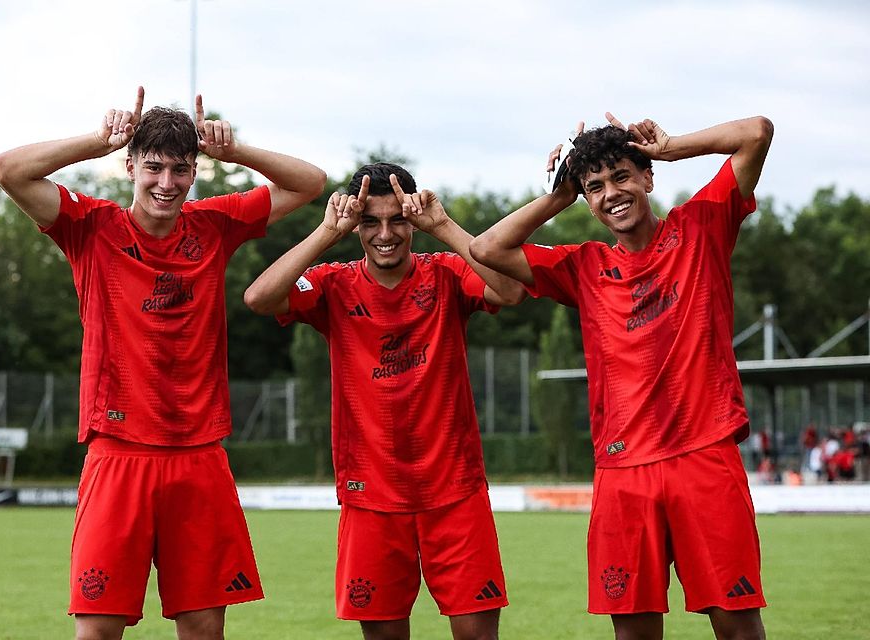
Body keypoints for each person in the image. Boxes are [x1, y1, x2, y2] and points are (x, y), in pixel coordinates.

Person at [0, 87, 326, 640]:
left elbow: (310, 183)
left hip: (199, 454)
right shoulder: (90, 225)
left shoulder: (215, 223)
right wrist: (98, 140)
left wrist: (235, 152)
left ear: (194, 172)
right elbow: (8, 170)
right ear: (130, 167)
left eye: (180, 169)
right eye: (153, 167)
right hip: (118, 451)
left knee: (203, 628)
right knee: (97, 630)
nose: (166, 182)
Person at [471, 113, 774, 640]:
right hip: (623, 470)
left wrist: (671, 147)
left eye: (621, 176)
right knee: (633, 631)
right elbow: (486, 249)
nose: (611, 193)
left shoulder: (700, 227)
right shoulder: (582, 266)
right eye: (595, 187)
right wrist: (558, 196)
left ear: (647, 177)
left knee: (738, 625)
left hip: (704, 456)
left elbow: (757, 133)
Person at [243, 163, 525, 640]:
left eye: (397, 220)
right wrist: (327, 232)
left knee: (478, 634)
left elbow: (511, 289)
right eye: (370, 222)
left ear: (412, 221)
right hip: (370, 494)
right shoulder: (333, 284)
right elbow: (259, 297)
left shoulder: (447, 273)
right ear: (356, 227)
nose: (385, 234)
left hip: (454, 490)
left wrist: (443, 225)